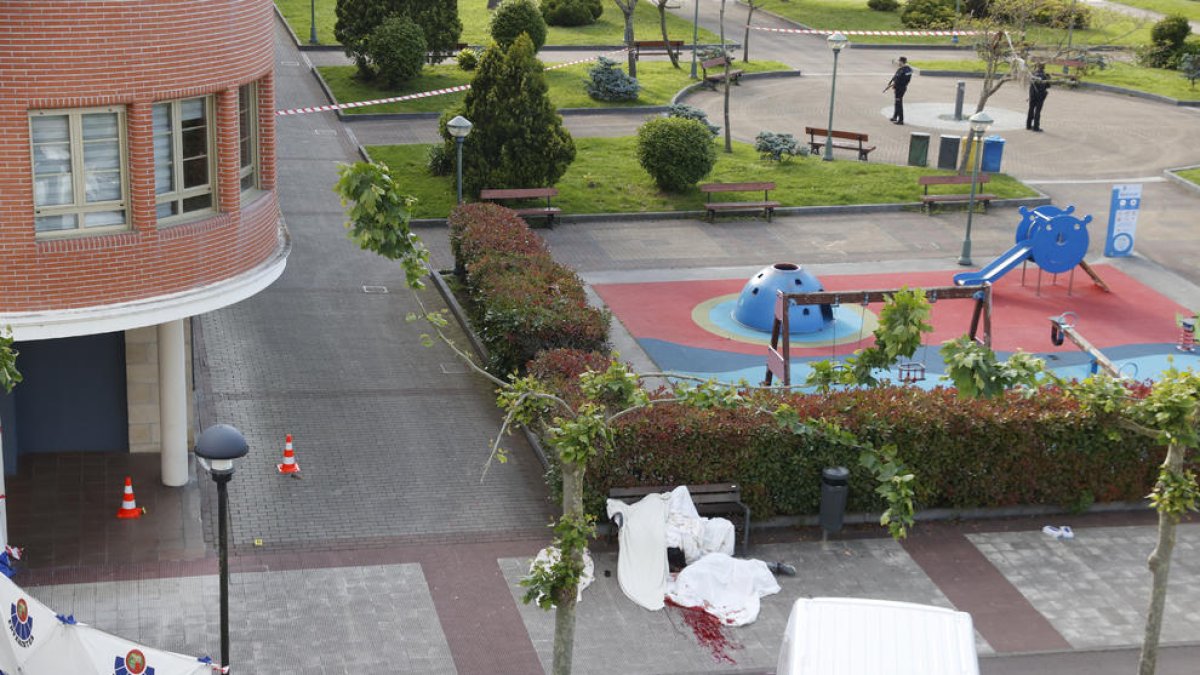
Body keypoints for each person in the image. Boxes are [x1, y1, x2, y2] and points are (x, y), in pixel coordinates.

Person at [884, 56, 913, 125]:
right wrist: (891, 84)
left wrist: (895, 84)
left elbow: (904, 80)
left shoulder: (907, 70)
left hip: (901, 88)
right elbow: (895, 77)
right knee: (897, 102)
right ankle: (895, 117)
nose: (898, 63)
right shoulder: (901, 69)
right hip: (897, 88)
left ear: (902, 62)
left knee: (899, 103)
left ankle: (901, 120)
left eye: (899, 61)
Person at [1027, 64, 1050, 132]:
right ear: (1044, 68)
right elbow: (1048, 85)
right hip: (1040, 95)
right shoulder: (1045, 75)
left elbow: (1030, 83)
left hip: (1032, 94)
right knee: (1037, 111)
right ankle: (1036, 127)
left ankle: (1028, 125)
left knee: (1031, 109)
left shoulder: (1033, 74)